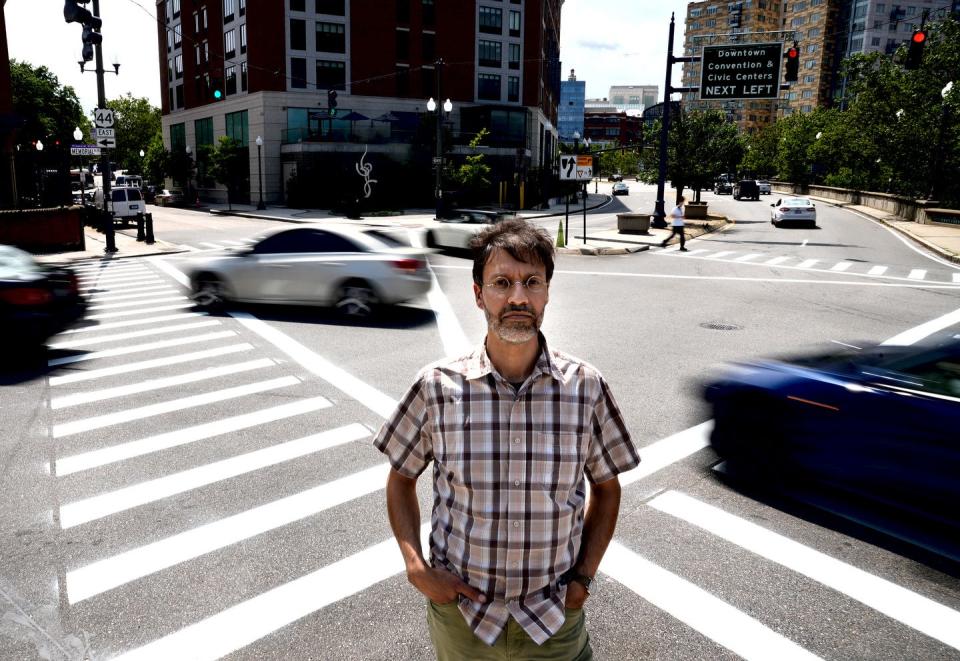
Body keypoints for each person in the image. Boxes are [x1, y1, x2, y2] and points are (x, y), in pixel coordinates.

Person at [375, 218, 641, 661]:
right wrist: (416, 568)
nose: (518, 297)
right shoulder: (436, 386)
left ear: (547, 293)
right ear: (478, 294)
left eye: (532, 282)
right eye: (502, 283)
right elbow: (400, 478)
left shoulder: (586, 386)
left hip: (553, 614)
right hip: (463, 617)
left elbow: (607, 489)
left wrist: (583, 580)